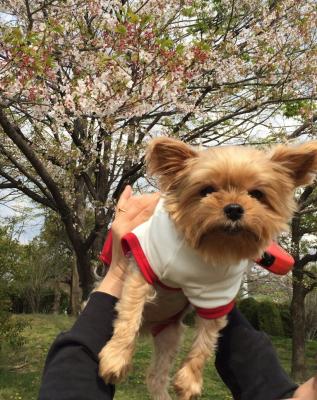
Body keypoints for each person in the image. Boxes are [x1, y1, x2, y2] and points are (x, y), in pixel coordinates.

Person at [38, 186, 317, 400]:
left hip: (161, 315)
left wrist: (118, 275)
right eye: (209, 191)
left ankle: (159, 388)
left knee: (168, 341)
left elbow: (67, 387)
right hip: (148, 307)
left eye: (256, 194)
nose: (235, 204)